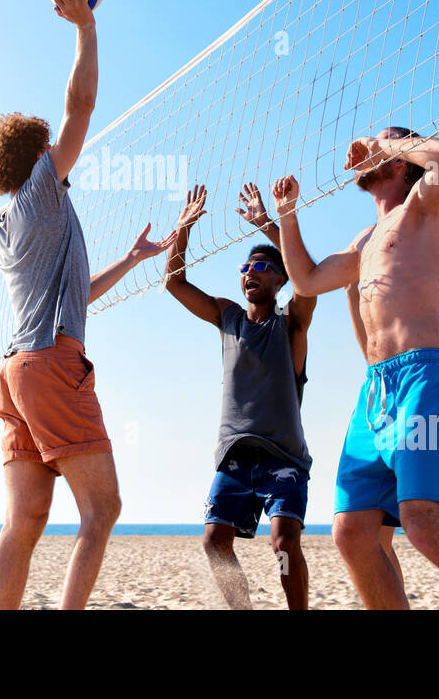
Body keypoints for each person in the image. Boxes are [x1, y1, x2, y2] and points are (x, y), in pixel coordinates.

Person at [0, 0, 174, 610]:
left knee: (25, 521)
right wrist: (85, 27)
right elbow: (81, 107)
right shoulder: (43, 188)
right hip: (49, 364)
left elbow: (75, 295)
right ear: (36, 154)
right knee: (103, 509)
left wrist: (130, 259)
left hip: (14, 369)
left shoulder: (8, 223)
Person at [274, 126, 439, 609]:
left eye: (383, 142)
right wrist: (287, 214)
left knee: (426, 524)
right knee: (351, 532)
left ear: (400, 162)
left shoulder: (423, 209)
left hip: (423, 377)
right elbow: (304, 279)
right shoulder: (365, 240)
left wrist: (384, 144)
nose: (367, 145)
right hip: (374, 390)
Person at [165, 182, 316, 609]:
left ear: (280, 280)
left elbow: (308, 276)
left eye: (264, 266)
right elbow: (175, 283)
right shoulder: (228, 316)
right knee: (214, 543)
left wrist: (268, 223)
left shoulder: (291, 325)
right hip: (234, 457)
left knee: (284, 544)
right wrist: (184, 229)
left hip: (283, 458)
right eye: (247, 266)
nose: (252, 271)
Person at [343, 208, 439, 608]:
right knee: (369, 536)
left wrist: (425, 351)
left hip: (436, 398)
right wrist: (352, 291)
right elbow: (370, 358)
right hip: (386, 399)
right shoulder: (380, 275)